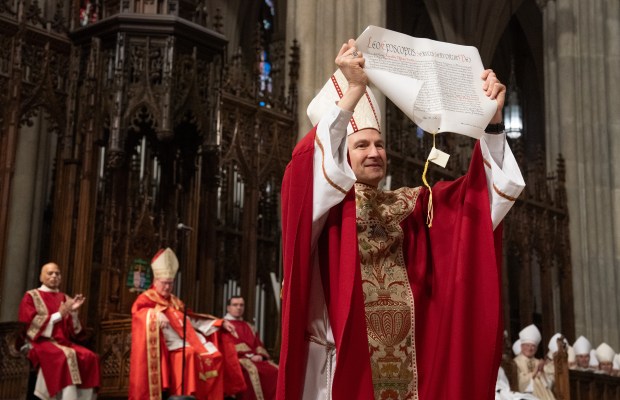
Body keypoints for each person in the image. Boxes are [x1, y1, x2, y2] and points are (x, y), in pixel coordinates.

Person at [278, 38, 525, 399]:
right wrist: (353, 92)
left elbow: (477, 205)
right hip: (332, 373)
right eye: (361, 145)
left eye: (379, 144)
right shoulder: (326, 212)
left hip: (403, 376)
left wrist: (492, 124)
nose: (375, 152)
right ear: (337, 154)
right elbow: (307, 178)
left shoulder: (410, 209)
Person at [129, 248, 246, 399]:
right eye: (164, 283)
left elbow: (191, 319)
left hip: (187, 339)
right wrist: (155, 315)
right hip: (168, 344)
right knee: (190, 354)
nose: (167, 287)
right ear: (155, 282)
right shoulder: (146, 298)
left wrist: (219, 323)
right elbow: (137, 314)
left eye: (170, 284)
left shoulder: (175, 301)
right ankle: (184, 395)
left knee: (215, 355)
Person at [17, 262, 100, 400]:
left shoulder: (65, 298)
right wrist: (59, 315)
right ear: (41, 277)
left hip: (63, 341)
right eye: (50, 273)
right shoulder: (31, 296)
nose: (54, 276)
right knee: (66, 356)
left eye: (57, 273)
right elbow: (30, 325)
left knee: (90, 357)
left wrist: (73, 313)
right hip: (40, 342)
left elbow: (75, 332)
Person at [224, 296, 279, 400]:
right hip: (236, 360)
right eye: (235, 305)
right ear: (228, 308)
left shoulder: (249, 326)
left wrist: (260, 355)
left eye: (241, 305)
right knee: (252, 372)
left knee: (276, 370)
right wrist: (247, 356)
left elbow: (258, 344)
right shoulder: (224, 325)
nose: (239, 308)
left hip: (255, 359)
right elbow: (226, 346)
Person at [513, 324, 555, 400]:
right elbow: (518, 382)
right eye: (527, 345)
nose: (530, 348)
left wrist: (542, 372)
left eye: (533, 346)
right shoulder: (516, 362)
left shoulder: (538, 362)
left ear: (536, 348)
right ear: (521, 346)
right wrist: (534, 373)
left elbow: (549, 384)